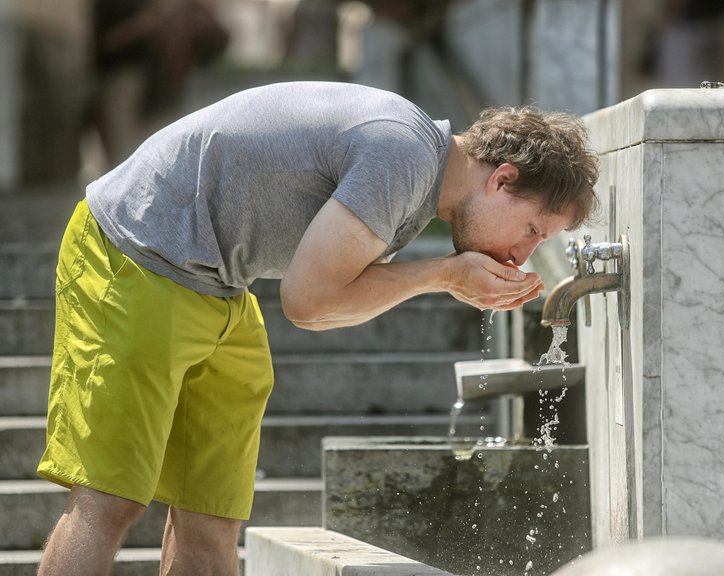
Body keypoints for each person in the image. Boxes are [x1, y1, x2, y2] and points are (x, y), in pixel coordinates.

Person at [36, 81, 599, 575]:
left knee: (211, 518)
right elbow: (308, 302)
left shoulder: (418, 176)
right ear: (501, 179)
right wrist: (445, 275)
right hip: (134, 252)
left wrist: (444, 275)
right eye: (531, 229)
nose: (523, 255)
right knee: (109, 501)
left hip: (219, 284)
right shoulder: (401, 154)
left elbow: (324, 301)